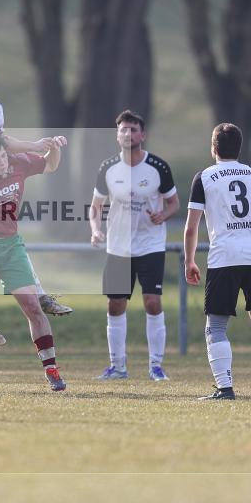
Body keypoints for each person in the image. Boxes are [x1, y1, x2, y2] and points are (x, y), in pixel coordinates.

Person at [0, 49, 73, 343]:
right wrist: (35, 145)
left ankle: (35, 297)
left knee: (6, 238)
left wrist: (42, 151)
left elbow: (0, 147)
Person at [183, 122, 251, 400]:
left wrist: (189, 261)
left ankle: (224, 387)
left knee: (215, 326)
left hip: (224, 257)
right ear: (239, 148)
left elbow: (192, 228)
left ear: (213, 148)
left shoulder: (204, 177)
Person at [0, 130, 68, 392]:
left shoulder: (17, 162)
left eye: (3, 156)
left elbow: (51, 164)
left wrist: (54, 146)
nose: (3, 163)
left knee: (33, 306)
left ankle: (51, 370)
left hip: (11, 246)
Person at [89, 110, 179, 381]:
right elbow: (95, 207)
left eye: (133, 129)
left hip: (150, 244)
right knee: (115, 305)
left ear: (143, 134)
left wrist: (162, 215)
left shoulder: (158, 167)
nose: (128, 134)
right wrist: (95, 230)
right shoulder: (107, 168)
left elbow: (173, 202)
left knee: (152, 302)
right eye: (123, 130)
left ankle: (156, 366)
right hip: (118, 247)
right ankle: (118, 367)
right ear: (117, 135)